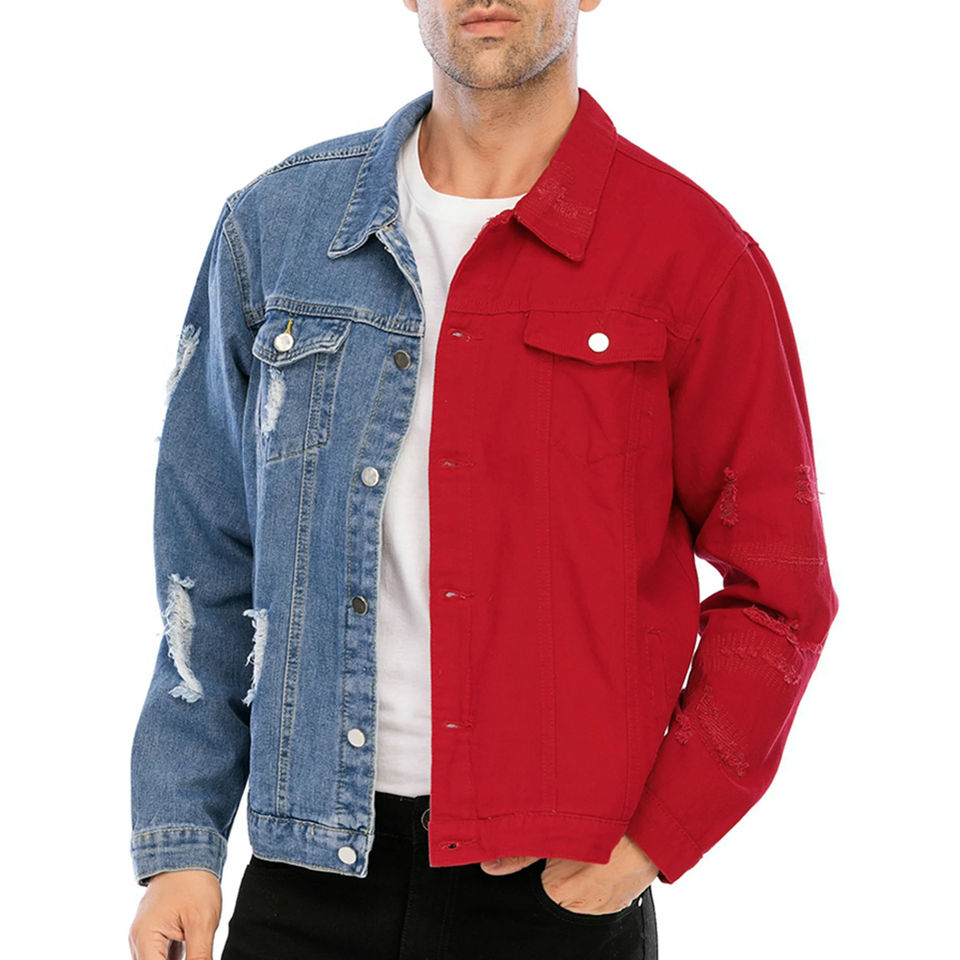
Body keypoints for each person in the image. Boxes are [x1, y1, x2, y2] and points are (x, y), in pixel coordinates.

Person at [127, 1, 839, 958]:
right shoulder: (278, 230)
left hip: (553, 892)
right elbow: (207, 558)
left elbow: (782, 593)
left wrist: (657, 836)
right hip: (304, 875)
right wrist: (183, 840)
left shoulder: (691, 257)